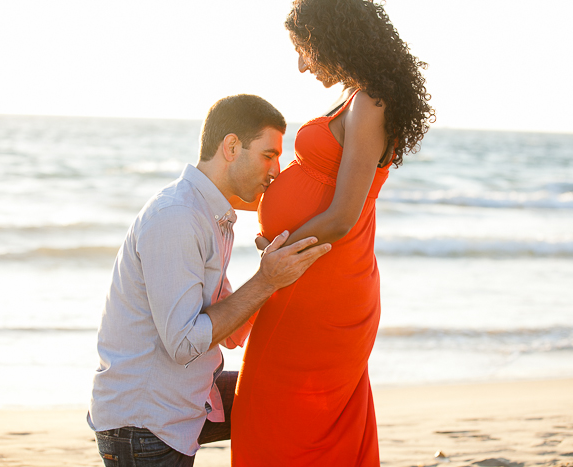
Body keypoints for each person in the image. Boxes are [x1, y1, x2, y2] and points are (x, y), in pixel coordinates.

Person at [231, 0, 435, 465]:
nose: (301, 65)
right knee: (279, 410)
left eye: (304, 50)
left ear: (331, 38)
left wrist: (281, 247)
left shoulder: (371, 104)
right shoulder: (359, 99)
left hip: (322, 280)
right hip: (306, 271)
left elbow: (344, 213)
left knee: (276, 409)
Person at [87, 94, 331, 467]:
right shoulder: (178, 217)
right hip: (144, 425)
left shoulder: (212, 217)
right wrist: (266, 280)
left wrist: (277, 274)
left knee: (295, 394)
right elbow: (184, 343)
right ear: (231, 146)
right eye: (269, 155)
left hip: (185, 397)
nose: (276, 171)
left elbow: (230, 333)